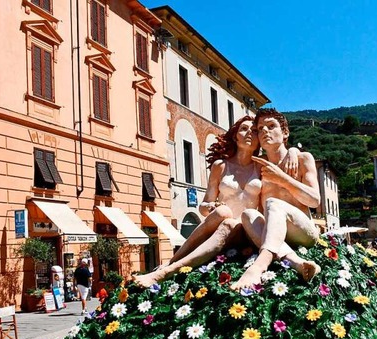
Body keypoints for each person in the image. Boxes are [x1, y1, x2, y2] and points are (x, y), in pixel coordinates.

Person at [134, 116, 302, 288]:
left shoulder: (261, 167)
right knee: (224, 215)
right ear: (235, 136)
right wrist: (211, 206)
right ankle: (172, 262)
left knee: (230, 221)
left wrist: (293, 151)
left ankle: (166, 271)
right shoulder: (220, 166)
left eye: (253, 130)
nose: (249, 133)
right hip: (222, 224)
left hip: (248, 227)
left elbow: (281, 154)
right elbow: (204, 205)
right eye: (243, 129)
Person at [234, 108, 321, 289]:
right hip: (273, 236)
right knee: (248, 214)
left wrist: (283, 178)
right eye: (260, 128)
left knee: (273, 203)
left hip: (303, 232)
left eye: (271, 126)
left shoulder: (303, 159)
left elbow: (315, 200)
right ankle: (297, 263)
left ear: (285, 132)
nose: (265, 131)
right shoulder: (257, 166)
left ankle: (258, 267)